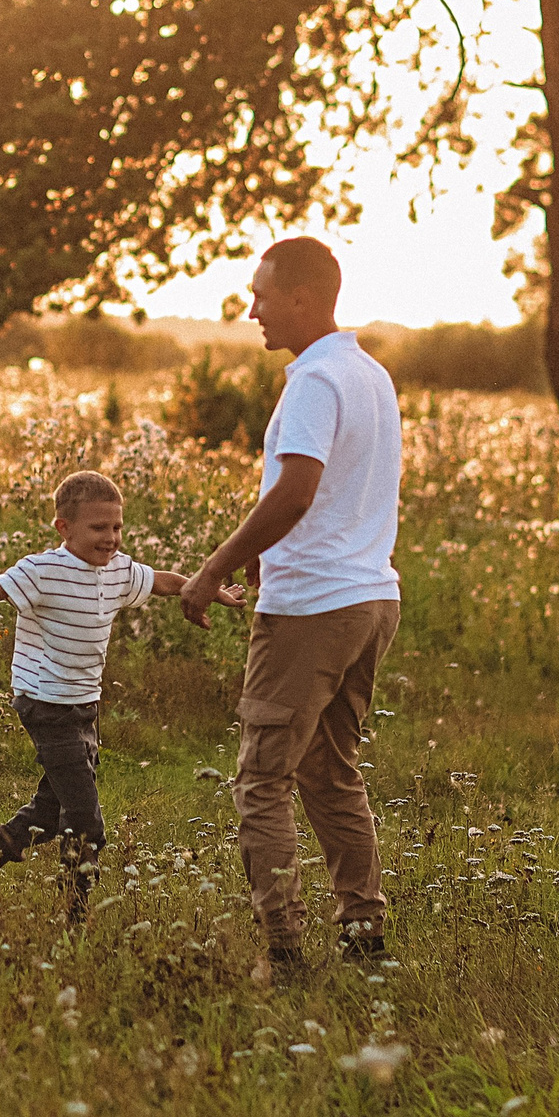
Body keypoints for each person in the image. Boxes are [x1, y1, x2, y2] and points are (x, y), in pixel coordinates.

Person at [176, 237, 403, 983]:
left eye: (262, 295)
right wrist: (256, 545)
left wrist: (212, 566)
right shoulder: (369, 374)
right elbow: (323, 492)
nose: (252, 310)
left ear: (303, 298)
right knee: (329, 770)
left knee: (262, 779)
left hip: (312, 607)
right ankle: (364, 930)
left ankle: (286, 950)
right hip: (371, 596)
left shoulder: (313, 380)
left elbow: (300, 488)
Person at [0, 470, 239, 913]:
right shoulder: (43, 570)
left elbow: (161, 581)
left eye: (117, 526)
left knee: (52, 805)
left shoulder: (118, 570)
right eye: (99, 528)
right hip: (45, 702)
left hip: (85, 704)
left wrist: (207, 589)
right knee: (84, 820)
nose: (111, 537)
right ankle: (75, 916)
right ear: (64, 527)